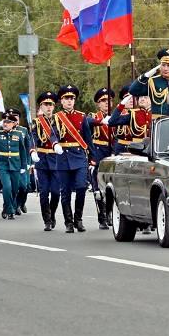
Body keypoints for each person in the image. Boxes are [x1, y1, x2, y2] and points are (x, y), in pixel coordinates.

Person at [53, 85, 92, 232]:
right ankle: (68, 222)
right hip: (63, 157)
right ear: (61, 101)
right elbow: (53, 133)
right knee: (65, 191)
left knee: (81, 187)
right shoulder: (57, 117)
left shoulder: (82, 116)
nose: (69, 101)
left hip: (79, 155)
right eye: (66, 99)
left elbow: (88, 138)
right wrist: (55, 144)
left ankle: (78, 219)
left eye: (72, 98)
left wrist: (92, 157)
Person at [127, 48, 169, 118]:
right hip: (159, 124)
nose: (165, 68)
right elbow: (133, 90)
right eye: (163, 65)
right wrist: (147, 75)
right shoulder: (152, 81)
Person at [30, 91, 62, 232]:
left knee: (56, 192)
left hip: (56, 160)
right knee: (44, 192)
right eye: (45, 105)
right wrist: (33, 151)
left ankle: (52, 213)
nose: (48, 107)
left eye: (51, 105)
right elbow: (33, 138)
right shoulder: (36, 122)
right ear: (41, 107)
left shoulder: (59, 121)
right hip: (42, 160)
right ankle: (47, 220)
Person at [88, 87, 115, 229]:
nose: (106, 103)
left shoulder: (116, 115)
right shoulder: (94, 116)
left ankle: (110, 212)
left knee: (112, 185)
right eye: (103, 101)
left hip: (112, 151)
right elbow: (87, 122)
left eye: (109, 100)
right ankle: (102, 216)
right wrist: (102, 121)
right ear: (98, 103)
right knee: (99, 187)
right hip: (98, 152)